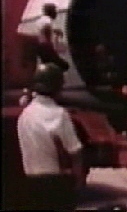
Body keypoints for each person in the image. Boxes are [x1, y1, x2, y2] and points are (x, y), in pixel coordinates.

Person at [17, 62, 84, 212]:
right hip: (56, 183)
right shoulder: (59, 114)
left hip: (31, 180)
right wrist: (78, 182)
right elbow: (75, 151)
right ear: (57, 88)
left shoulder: (24, 115)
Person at [36, 2, 70, 72]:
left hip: (40, 47)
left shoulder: (40, 20)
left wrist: (55, 31)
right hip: (46, 46)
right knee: (64, 66)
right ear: (50, 11)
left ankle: (48, 78)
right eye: (54, 10)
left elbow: (43, 30)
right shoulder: (47, 20)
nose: (56, 13)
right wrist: (52, 45)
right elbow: (46, 29)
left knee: (48, 66)